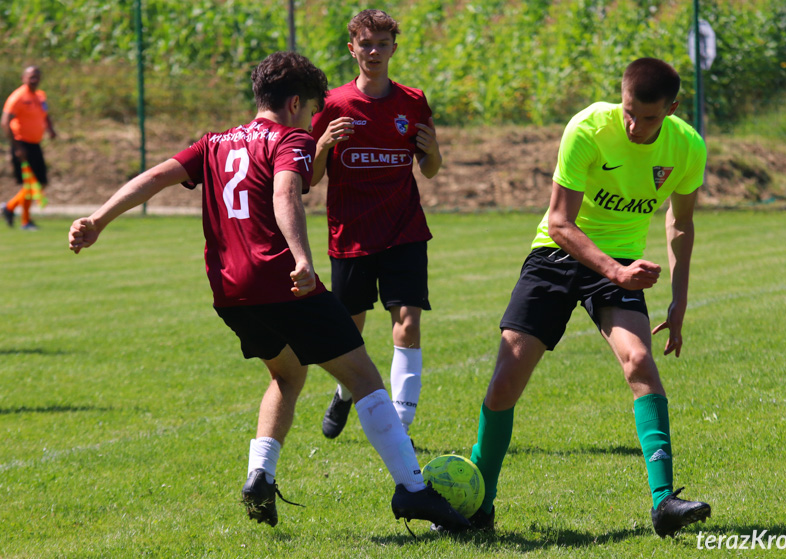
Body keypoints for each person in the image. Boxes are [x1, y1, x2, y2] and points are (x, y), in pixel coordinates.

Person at [68, 51, 468, 532]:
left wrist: (98, 219)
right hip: (281, 281)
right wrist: (301, 257)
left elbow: (154, 177)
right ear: (296, 102)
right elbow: (284, 193)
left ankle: (260, 474)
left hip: (229, 293)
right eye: (313, 108)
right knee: (363, 379)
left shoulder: (213, 143)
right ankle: (414, 492)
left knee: (286, 375)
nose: (314, 117)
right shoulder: (290, 138)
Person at [455, 58, 711, 537]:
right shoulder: (589, 128)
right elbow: (559, 222)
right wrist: (617, 271)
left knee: (639, 362)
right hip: (557, 255)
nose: (634, 125)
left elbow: (681, 221)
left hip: (619, 266)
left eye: (649, 118)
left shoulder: (687, 146)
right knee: (505, 382)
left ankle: (664, 504)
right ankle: (478, 507)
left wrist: (678, 301)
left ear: (673, 108)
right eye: (629, 111)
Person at [310, 9, 442, 442]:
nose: (374, 52)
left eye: (382, 44)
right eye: (366, 44)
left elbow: (431, 169)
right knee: (351, 329)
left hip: (404, 229)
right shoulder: (333, 104)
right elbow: (309, 178)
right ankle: (344, 392)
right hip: (351, 233)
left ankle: (400, 423)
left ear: (393, 49)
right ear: (352, 49)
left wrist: (433, 150)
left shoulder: (412, 101)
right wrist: (325, 144)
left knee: (407, 320)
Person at [2, 65, 57, 230]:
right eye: (31, 76)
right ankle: (24, 220)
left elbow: (45, 115)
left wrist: (50, 129)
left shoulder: (40, 96)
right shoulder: (18, 97)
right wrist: (17, 147)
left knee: (39, 183)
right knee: (31, 183)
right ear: (23, 78)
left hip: (35, 144)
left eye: (37, 76)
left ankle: (9, 208)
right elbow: (5, 122)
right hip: (22, 145)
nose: (35, 79)